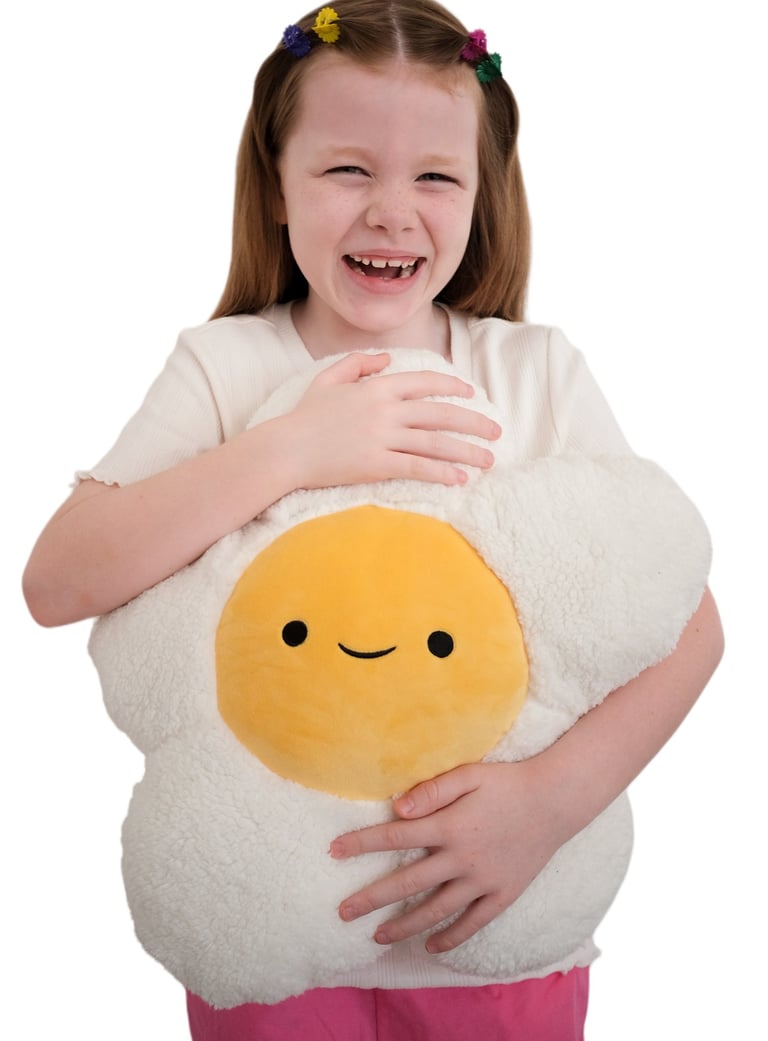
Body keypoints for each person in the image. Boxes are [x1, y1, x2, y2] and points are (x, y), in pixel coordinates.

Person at [22, 1, 723, 1038]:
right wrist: (292, 449)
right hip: (275, 925)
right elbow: (59, 580)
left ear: (483, 200)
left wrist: (549, 806)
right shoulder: (227, 370)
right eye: (349, 169)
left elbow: (689, 631)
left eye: (435, 177)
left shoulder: (532, 375)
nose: (393, 211)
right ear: (275, 189)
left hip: (497, 934)